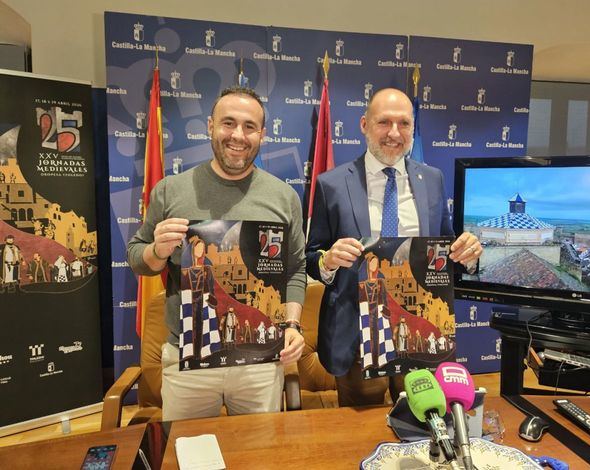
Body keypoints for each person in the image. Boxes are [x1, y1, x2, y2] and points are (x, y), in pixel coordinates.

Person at [128, 86, 306, 420]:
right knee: (186, 446)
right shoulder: (170, 190)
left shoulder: (284, 198)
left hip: (260, 362)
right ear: (210, 126)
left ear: (262, 134)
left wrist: (293, 325)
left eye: (249, 126)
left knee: (258, 446)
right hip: (188, 358)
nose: (238, 135)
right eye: (228, 123)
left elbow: (295, 268)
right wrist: (157, 250)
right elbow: (138, 258)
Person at [306, 88, 482, 406]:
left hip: (418, 328)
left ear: (413, 128)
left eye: (404, 123)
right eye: (384, 122)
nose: (394, 133)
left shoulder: (433, 179)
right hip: (358, 332)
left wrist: (467, 254)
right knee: (361, 428)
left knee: (422, 420)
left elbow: (444, 251)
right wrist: (327, 261)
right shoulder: (331, 184)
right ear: (364, 125)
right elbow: (311, 256)